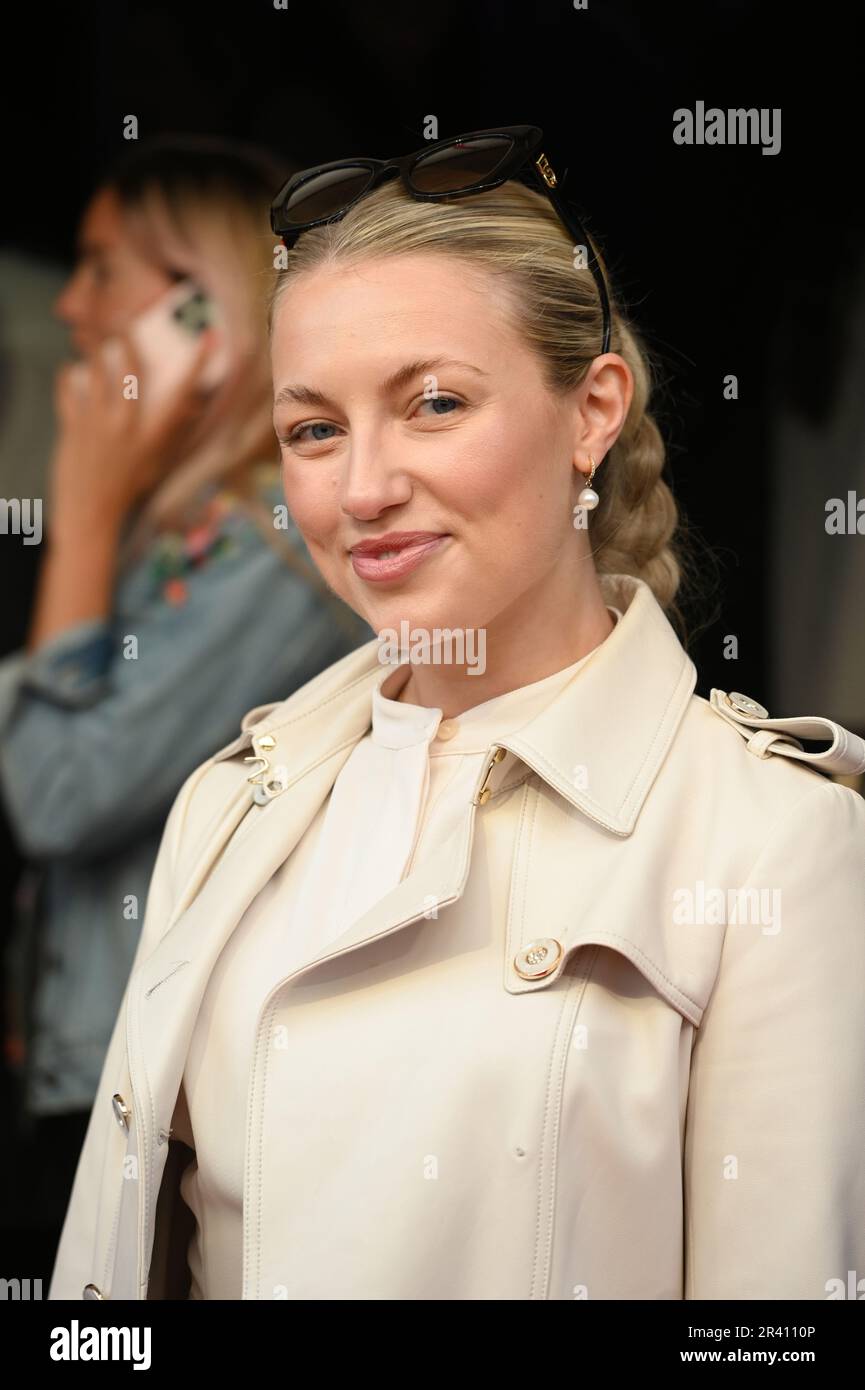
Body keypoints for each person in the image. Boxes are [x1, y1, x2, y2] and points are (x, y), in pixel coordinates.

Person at [47, 126, 865, 1301]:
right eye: (314, 429)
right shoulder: (226, 806)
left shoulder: (772, 841)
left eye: (432, 403)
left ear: (592, 411)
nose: (364, 488)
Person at [0, 134, 369, 1256]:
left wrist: (85, 499)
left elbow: (56, 795)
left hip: (156, 1097)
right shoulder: (190, 538)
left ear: (205, 311)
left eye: (103, 267)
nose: (71, 304)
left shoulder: (264, 550)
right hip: (104, 1075)